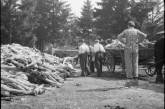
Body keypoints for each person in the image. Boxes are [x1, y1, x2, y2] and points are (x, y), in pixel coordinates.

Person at [117, 21, 147, 85]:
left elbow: (119, 37)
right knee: (135, 63)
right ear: (133, 25)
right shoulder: (136, 30)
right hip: (135, 48)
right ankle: (136, 79)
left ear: (128, 25)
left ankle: (129, 79)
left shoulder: (126, 31)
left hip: (128, 48)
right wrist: (139, 41)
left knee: (128, 63)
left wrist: (124, 42)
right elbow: (144, 35)